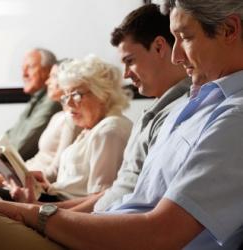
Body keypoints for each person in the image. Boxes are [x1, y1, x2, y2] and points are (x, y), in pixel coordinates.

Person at [0, 1, 243, 249]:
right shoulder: (192, 105)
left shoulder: (233, 117)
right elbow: (128, 198)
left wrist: (36, 214)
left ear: (230, 30)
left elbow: (160, 233)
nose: (176, 56)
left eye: (185, 37)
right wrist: (37, 210)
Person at [44, 3, 191, 212]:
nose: (126, 75)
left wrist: (48, 217)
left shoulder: (184, 114)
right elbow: (116, 191)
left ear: (159, 47)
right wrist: (46, 211)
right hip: (98, 220)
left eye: (130, 61)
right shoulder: (152, 113)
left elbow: (146, 205)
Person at [5, 55, 132, 203]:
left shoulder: (109, 131)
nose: (69, 103)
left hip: (63, 214)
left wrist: (34, 207)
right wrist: (46, 186)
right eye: (66, 96)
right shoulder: (90, 128)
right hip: (56, 202)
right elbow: (75, 187)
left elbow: (99, 203)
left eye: (77, 95)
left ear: (103, 94)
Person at [0, 48, 62, 161]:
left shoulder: (52, 100)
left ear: (48, 70)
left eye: (30, 67)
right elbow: (8, 137)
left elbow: (21, 148)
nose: (24, 74)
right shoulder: (36, 98)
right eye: (22, 69)